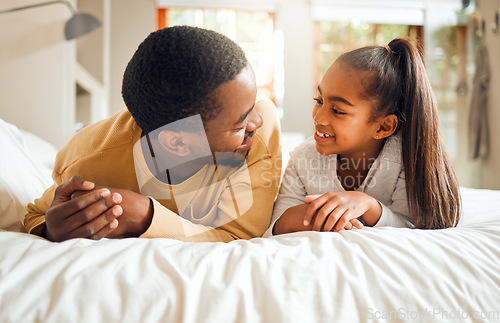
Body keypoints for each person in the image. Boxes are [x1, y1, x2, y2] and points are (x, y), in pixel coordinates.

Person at [24, 26, 281, 242]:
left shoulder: (261, 132)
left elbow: (237, 238)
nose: (256, 121)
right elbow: (35, 215)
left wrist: (144, 215)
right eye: (240, 123)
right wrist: (50, 229)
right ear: (178, 142)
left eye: (253, 104)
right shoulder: (88, 162)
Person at [264, 38, 461, 237]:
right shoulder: (302, 159)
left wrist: (369, 206)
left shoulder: (404, 158)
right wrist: (311, 215)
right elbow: (272, 229)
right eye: (319, 100)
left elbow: (415, 227)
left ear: (383, 127)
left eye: (338, 110)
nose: (318, 117)